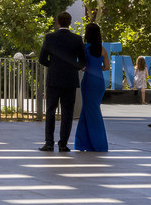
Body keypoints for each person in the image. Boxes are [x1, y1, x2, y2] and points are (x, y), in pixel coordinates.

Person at [38, 12, 86, 151]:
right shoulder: (77, 39)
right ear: (69, 22)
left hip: (54, 79)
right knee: (67, 113)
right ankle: (63, 143)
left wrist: (53, 66)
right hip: (70, 80)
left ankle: (49, 143)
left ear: (58, 22)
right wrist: (72, 67)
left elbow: (42, 59)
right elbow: (83, 61)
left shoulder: (50, 37)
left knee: (51, 111)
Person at [74, 21, 110, 152]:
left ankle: (96, 144)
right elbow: (106, 67)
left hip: (88, 81)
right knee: (89, 110)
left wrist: (87, 68)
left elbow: (80, 64)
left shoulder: (84, 48)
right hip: (99, 82)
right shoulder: (102, 49)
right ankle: (84, 143)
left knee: (91, 111)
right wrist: (96, 68)